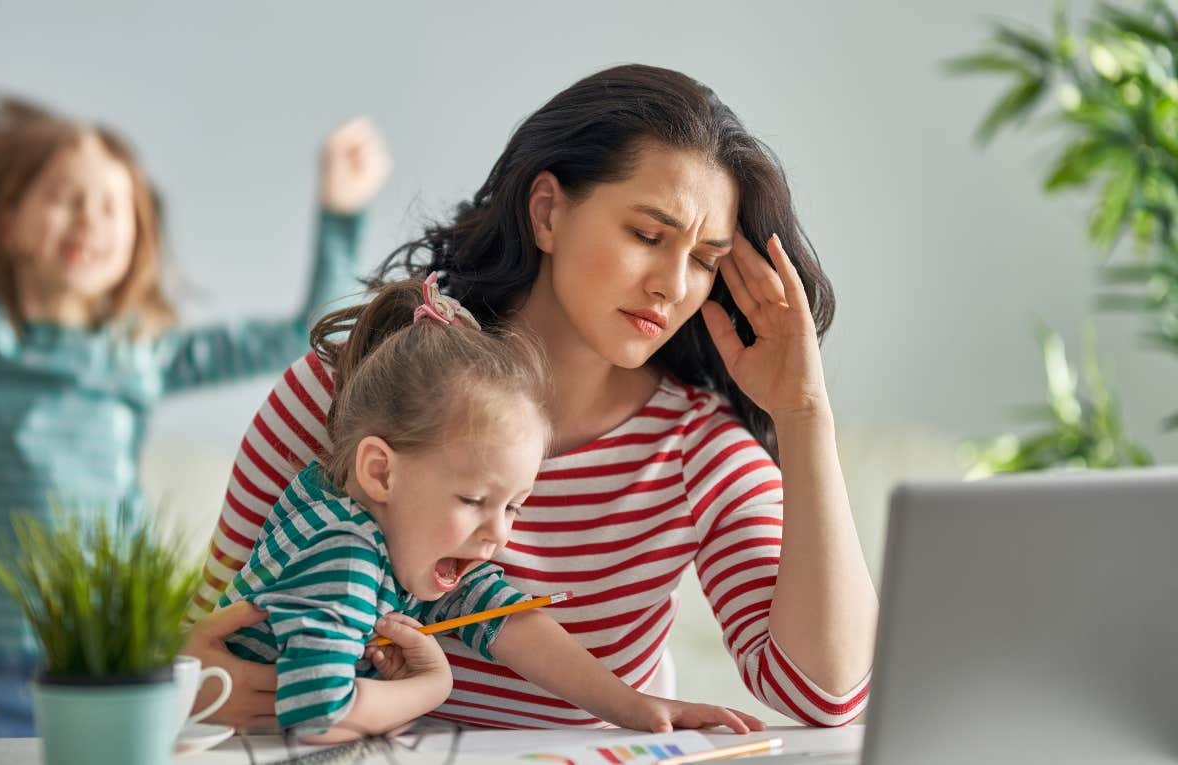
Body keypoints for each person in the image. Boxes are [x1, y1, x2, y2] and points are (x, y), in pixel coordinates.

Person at [184, 63, 877, 730]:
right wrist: (199, 685)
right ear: (546, 212)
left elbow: (824, 694)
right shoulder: (352, 387)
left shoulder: (697, 450)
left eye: (704, 260)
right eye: (647, 234)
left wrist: (803, 414)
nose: (672, 284)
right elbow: (198, 631)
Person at [0, 32, 388, 762]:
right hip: (5, 671)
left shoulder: (136, 355)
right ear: (10, 221)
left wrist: (340, 213)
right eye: (65, 197)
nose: (89, 218)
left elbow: (303, 334)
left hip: (132, 662)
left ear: (136, 240)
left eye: (112, 207)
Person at [219, 274, 764, 738]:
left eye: (513, 507)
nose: (497, 536)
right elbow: (318, 714)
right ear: (380, 471)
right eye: (475, 500)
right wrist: (431, 687)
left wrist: (637, 707)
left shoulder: (391, 533)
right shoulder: (344, 554)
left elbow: (505, 617)